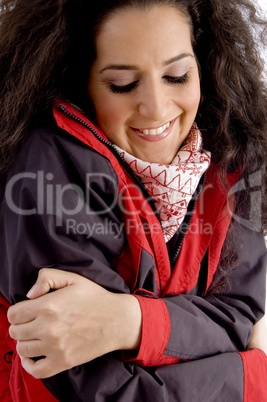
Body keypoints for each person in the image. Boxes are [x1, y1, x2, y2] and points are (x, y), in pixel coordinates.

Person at [0, 0, 267, 401]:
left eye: (176, 76)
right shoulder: (45, 174)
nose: (156, 108)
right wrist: (254, 377)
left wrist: (129, 321)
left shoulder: (232, 156)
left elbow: (239, 315)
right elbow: (105, 391)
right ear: (80, 81)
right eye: (123, 84)